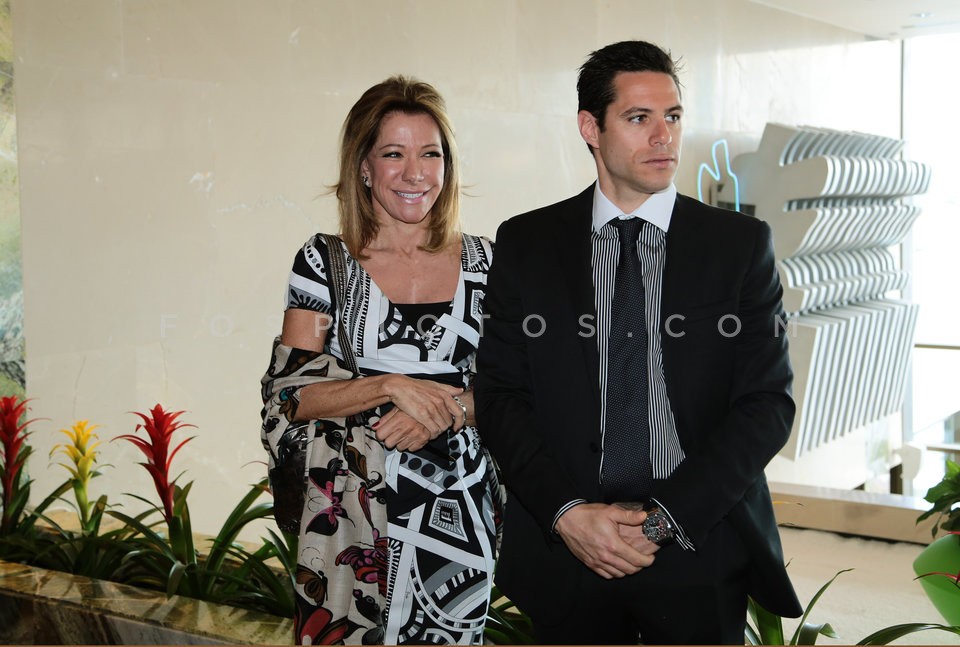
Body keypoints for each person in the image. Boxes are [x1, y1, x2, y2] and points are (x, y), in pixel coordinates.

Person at [474, 40, 802, 645]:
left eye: (672, 116)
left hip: (697, 541)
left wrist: (664, 521)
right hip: (569, 547)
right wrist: (567, 514)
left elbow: (767, 404)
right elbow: (499, 396)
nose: (663, 136)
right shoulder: (527, 243)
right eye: (638, 117)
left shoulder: (738, 245)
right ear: (589, 128)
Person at [261, 76, 501, 646]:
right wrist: (390, 385)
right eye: (394, 154)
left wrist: (450, 411)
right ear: (364, 167)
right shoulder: (325, 263)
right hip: (349, 517)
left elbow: (518, 389)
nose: (415, 173)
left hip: (455, 514)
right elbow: (290, 394)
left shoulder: (488, 264)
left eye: (430, 154)